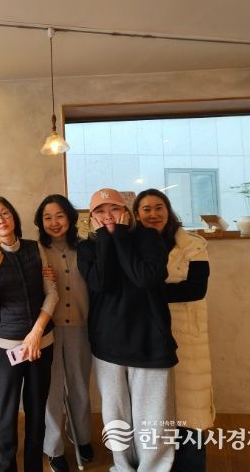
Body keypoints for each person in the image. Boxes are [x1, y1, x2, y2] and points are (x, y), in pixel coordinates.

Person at [77, 188, 177, 472]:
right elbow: (102, 283)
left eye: (114, 208)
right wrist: (106, 240)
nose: (107, 215)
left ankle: (154, 468)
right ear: (91, 217)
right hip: (107, 343)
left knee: (153, 415)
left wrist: (119, 236)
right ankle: (122, 466)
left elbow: (144, 278)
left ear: (127, 212)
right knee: (115, 414)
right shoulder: (87, 248)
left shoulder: (148, 237)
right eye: (99, 211)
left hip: (149, 340)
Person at [133, 188, 214, 472]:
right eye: (146, 209)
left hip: (186, 333)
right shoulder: (132, 246)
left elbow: (196, 288)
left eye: (159, 208)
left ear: (168, 211)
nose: (153, 214)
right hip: (148, 332)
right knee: (154, 405)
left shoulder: (193, 244)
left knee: (191, 404)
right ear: (137, 215)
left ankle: (191, 465)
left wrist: (149, 292)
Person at [0, 196, 58, 472]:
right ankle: (6, 467)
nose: (1, 220)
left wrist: (36, 332)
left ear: (13, 217)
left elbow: (52, 293)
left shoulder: (35, 248)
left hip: (41, 343)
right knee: (6, 413)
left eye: (5, 213)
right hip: (4, 346)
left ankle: (34, 467)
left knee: (36, 411)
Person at [34, 194, 93, 472]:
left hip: (81, 327)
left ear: (70, 218)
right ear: (40, 222)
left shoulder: (86, 248)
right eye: (47, 217)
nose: (54, 222)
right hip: (48, 329)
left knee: (80, 386)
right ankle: (53, 447)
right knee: (52, 390)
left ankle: (81, 436)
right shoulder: (36, 250)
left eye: (59, 216)